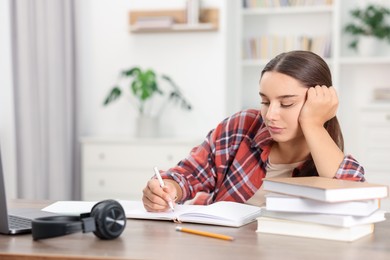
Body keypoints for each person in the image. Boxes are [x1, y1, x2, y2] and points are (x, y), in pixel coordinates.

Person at [142, 50, 365, 212]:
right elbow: (189, 174)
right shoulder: (243, 125)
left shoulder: (326, 154)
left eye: (286, 103)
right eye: (266, 101)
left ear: (318, 102)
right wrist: (168, 189)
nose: (270, 115)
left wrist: (314, 124)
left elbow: (354, 199)